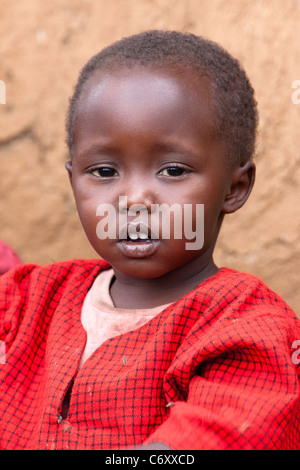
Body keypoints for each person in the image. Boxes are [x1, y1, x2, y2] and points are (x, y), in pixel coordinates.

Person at [0, 30, 299, 450]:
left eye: (173, 170)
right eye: (104, 172)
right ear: (73, 182)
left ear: (235, 187)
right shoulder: (27, 303)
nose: (133, 200)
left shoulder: (247, 328)